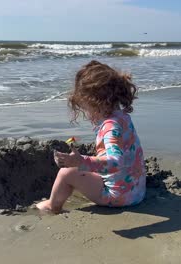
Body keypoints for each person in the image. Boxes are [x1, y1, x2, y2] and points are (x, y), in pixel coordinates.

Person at [36, 60, 146, 213]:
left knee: (66, 173)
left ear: (96, 102)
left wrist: (81, 161)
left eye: (85, 107)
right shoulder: (123, 117)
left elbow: (116, 163)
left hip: (119, 197)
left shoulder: (109, 127)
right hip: (137, 190)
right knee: (88, 165)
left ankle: (52, 206)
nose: (86, 113)